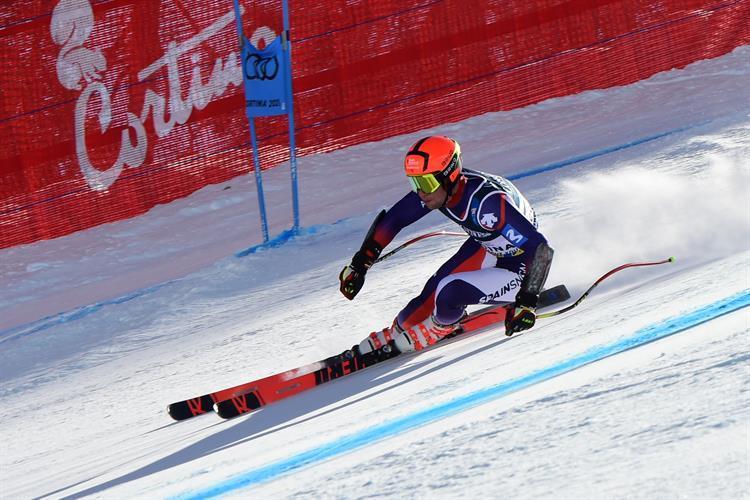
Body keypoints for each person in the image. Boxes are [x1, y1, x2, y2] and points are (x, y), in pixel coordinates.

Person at [339, 135, 554, 355]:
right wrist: (360, 264)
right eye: (415, 182)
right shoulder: (440, 190)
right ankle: (399, 330)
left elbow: (541, 249)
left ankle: (441, 326)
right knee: (418, 307)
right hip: (488, 245)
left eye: (425, 183)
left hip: (522, 266)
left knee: (448, 292)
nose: (420, 192)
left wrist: (528, 300)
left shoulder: (486, 205)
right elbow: (394, 219)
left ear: (449, 176)